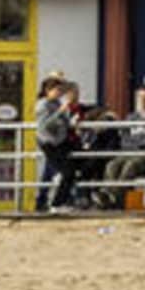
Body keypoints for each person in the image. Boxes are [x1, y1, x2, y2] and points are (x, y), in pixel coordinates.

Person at [32, 77, 86, 210]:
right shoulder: (43, 105)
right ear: (47, 90)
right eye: (57, 90)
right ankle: (56, 203)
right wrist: (60, 112)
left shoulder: (57, 103)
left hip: (61, 142)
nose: (59, 93)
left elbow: (63, 122)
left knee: (74, 168)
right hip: (50, 143)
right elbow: (45, 125)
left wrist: (72, 122)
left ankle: (64, 201)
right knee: (66, 172)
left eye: (61, 90)